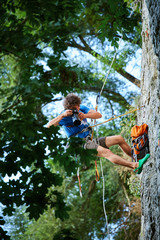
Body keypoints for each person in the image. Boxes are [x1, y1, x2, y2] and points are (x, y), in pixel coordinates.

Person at [47, 93, 149, 173]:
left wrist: (85, 116)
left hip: (89, 140)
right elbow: (49, 126)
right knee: (107, 153)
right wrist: (62, 115)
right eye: (74, 108)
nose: (77, 109)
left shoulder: (81, 108)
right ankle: (135, 166)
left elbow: (98, 115)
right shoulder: (64, 116)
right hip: (78, 144)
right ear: (68, 108)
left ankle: (137, 158)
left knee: (119, 139)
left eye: (77, 106)